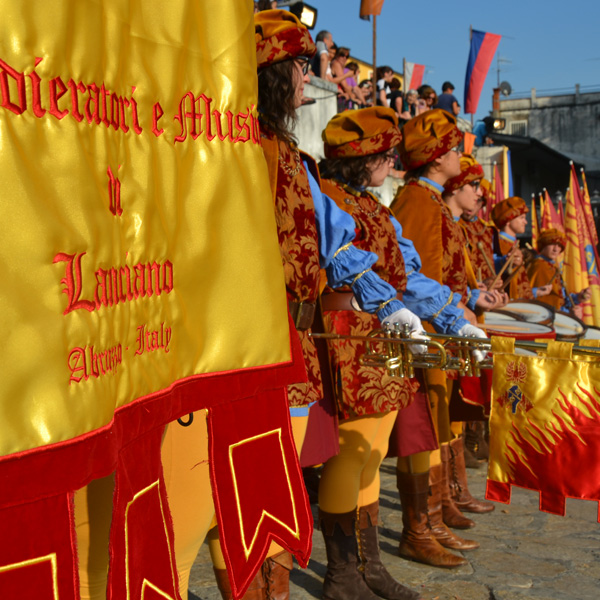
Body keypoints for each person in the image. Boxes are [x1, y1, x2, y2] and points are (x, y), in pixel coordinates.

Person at [207, 11, 431, 599]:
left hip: (299, 339)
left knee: (312, 464)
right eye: (302, 66)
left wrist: (392, 307)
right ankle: (331, 573)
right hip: (252, 339)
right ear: (275, 73)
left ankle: (330, 575)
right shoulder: (226, 144)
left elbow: (333, 244)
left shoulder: (288, 154)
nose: (309, 79)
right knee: (246, 481)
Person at [317, 107, 485, 599]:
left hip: (387, 337)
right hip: (351, 333)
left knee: (371, 452)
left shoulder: (377, 207)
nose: (393, 163)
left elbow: (408, 274)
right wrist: (393, 306)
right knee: (350, 454)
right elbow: (340, 261)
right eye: (386, 156)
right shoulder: (331, 198)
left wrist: (453, 315)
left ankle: (368, 567)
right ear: (363, 158)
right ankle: (342, 573)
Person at [390, 110, 497, 569]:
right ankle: (422, 525)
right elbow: (413, 278)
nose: (459, 157)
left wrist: (470, 300)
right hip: (428, 330)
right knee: (423, 425)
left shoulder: (428, 200)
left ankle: (434, 515)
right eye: (452, 148)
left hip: (444, 328)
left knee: (437, 419)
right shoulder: (416, 200)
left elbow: (445, 269)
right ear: (436, 159)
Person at [491, 197, 552, 301]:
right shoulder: (496, 242)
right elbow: (488, 268)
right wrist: (503, 261)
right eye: (522, 218)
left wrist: (535, 292)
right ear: (508, 220)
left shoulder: (513, 244)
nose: (525, 222)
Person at [527, 228, 591, 316]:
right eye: (552, 244)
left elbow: (560, 298)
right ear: (543, 245)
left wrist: (577, 298)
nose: (556, 249)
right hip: (547, 318)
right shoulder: (539, 265)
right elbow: (544, 302)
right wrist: (568, 313)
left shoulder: (552, 266)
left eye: (559, 246)